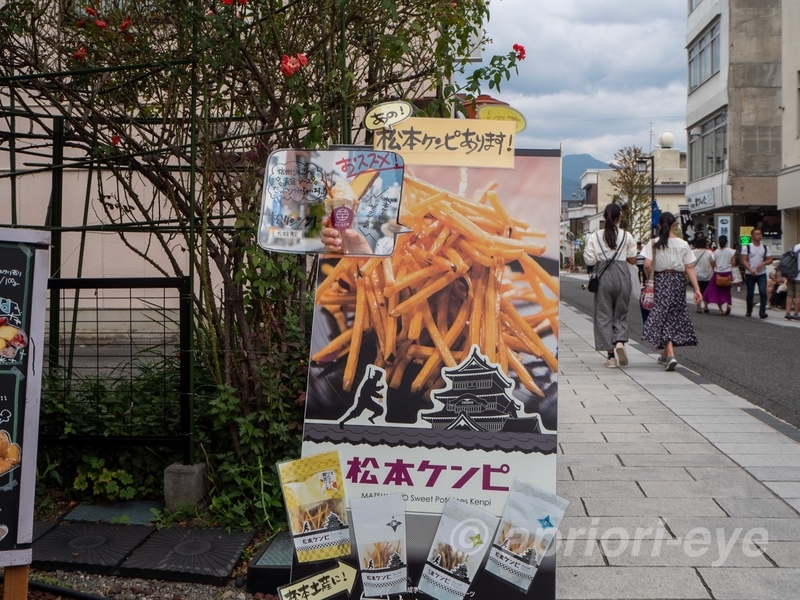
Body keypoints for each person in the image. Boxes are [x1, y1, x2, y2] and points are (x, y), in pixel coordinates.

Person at [641, 212, 703, 371]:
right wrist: (697, 289)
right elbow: (689, 267)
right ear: (675, 225)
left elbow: (647, 265)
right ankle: (665, 355)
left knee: (662, 315)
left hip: (661, 280)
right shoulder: (683, 244)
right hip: (678, 282)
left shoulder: (653, 243)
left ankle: (671, 356)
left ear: (659, 225)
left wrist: (650, 278)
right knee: (674, 315)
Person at [583, 203, 637, 368]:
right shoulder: (627, 236)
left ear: (604, 217)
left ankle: (611, 356)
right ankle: (620, 342)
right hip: (623, 277)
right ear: (619, 218)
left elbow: (590, 260)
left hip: (603, 278)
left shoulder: (594, 237)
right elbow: (633, 259)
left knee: (603, 316)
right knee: (620, 314)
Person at [740, 228, 773, 318]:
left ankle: (762, 311)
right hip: (750, 273)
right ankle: (749, 310)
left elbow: (770, 259)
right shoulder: (747, 247)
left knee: (763, 292)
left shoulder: (765, 247)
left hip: (761, 273)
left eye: (760, 234)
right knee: (750, 293)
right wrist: (750, 269)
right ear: (752, 236)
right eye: (757, 234)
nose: (759, 236)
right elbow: (744, 260)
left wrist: (763, 263)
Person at [703, 234, 735, 315]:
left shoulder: (716, 252)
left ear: (718, 242)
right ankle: (729, 304)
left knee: (716, 291)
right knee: (727, 291)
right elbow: (733, 263)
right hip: (728, 273)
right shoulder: (731, 251)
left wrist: (715, 268)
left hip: (717, 273)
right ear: (726, 241)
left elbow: (713, 262)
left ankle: (720, 310)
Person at [691, 237, 714, 313]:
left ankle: (698, 308)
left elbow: (690, 264)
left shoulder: (693, 252)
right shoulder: (709, 253)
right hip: (707, 275)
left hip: (696, 275)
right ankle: (706, 306)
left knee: (697, 291)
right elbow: (713, 263)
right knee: (706, 291)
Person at [785, 242, 800, 320]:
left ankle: (787, 313)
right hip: (799, 276)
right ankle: (795, 314)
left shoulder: (794, 247)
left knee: (790, 294)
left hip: (791, 275)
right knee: (798, 296)